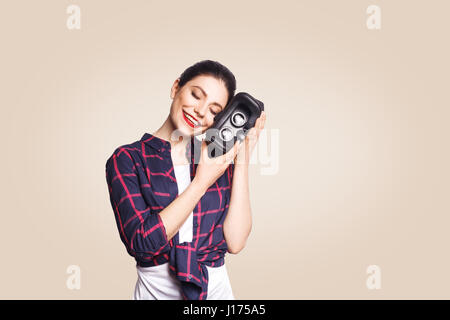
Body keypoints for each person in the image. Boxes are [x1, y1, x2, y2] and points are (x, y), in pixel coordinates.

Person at [105, 60, 266, 300]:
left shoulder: (216, 161)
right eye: (196, 95)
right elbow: (141, 243)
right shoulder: (128, 159)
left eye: (214, 110)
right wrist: (200, 183)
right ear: (176, 88)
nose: (201, 111)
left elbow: (235, 241)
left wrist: (242, 158)